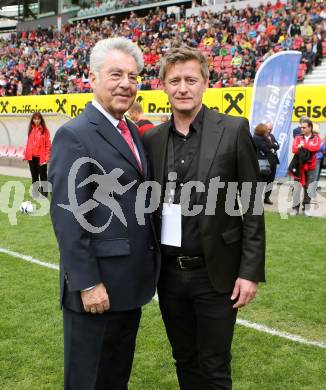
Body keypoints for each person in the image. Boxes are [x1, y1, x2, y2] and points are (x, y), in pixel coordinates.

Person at [143, 46, 265, 390]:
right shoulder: (152, 138)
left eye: (191, 80)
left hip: (217, 274)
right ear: (163, 86)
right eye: (175, 80)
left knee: (214, 367)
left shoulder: (233, 129)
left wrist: (249, 272)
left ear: (205, 83)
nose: (183, 88)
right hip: (168, 276)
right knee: (184, 359)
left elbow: (252, 204)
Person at [48, 37, 159, 390]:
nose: (126, 83)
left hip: (129, 285)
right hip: (97, 290)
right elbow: (69, 218)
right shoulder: (75, 135)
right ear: (92, 79)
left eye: (133, 75)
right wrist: (87, 283)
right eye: (115, 75)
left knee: (114, 380)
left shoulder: (131, 133)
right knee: (88, 381)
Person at [289, 118, 321, 217]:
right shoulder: (298, 137)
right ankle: (295, 208)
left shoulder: (316, 138)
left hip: (311, 167)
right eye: (301, 127)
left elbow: (316, 147)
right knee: (296, 187)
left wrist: (303, 145)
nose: (302, 129)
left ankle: (306, 209)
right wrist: (304, 146)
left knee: (309, 187)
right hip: (299, 166)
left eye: (304, 127)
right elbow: (294, 149)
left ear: (310, 128)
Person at [23, 112, 51, 198]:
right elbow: (29, 143)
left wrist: (47, 157)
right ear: (32, 120)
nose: (36, 120)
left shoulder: (45, 131)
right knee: (34, 176)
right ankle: (35, 193)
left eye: (38, 119)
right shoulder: (31, 129)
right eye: (35, 119)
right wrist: (26, 155)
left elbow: (48, 145)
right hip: (32, 158)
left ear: (41, 120)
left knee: (43, 176)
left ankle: (44, 194)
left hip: (41, 157)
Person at [264, 122, 280, 204]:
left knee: (270, 180)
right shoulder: (260, 136)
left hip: (273, 161)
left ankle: (266, 198)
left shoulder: (272, 136)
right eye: (268, 129)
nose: (269, 131)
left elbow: (277, 145)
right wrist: (272, 145)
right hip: (265, 162)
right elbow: (266, 147)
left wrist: (273, 145)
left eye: (271, 129)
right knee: (263, 180)